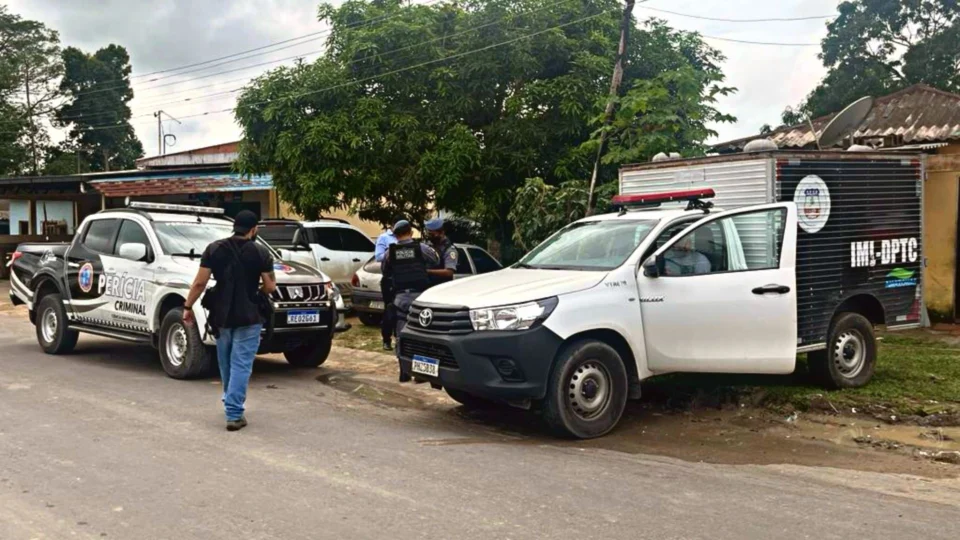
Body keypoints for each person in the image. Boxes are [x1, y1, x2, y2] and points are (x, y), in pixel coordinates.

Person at [183, 210, 277, 431]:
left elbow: (199, 283)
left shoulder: (214, 249)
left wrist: (187, 307)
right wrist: (258, 292)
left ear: (235, 226)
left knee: (225, 360)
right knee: (241, 363)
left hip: (221, 315)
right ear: (254, 230)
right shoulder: (261, 252)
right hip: (250, 314)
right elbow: (270, 286)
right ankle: (234, 413)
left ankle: (230, 400)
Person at [381, 219, 439, 382]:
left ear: (395, 236)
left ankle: (404, 371)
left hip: (400, 298)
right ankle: (421, 373)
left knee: (401, 335)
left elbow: (385, 270)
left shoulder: (389, 253)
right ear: (411, 232)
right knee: (421, 334)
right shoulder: (422, 248)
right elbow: (435, 260)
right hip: (420, 298)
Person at [374, 224, 399, 350]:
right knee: (389, 310)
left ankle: (399, 339)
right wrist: (392, 252)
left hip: (403, 278)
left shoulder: (406, 240)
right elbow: (378, 257)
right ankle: (386, 340)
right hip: (389, 279)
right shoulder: (384, 238)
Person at [424, 218, 457, 286]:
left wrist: (427, 271)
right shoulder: (429, 246)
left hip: (442, 288)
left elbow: (449, 272)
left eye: (432, 234)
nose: (430, 237)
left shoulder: (449, 250)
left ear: (441, 232)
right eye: (429, 234)